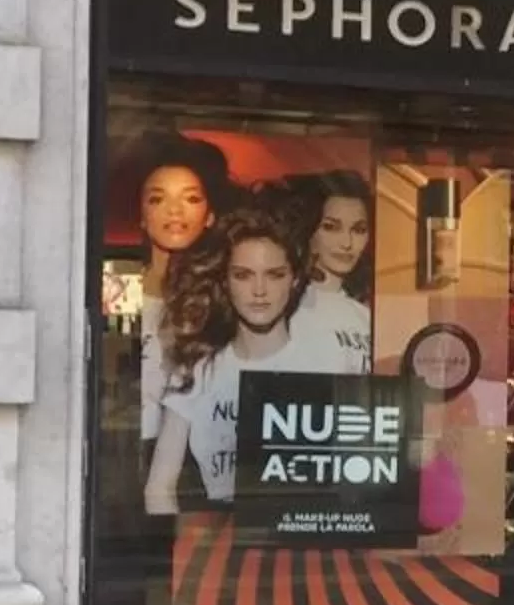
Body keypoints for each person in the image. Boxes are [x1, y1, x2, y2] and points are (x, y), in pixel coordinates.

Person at [145, 209, 305, 514]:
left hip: (301, 545)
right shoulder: (199, 371)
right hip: (220, 544)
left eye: (274, 274)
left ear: (294, 280)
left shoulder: (322, 362)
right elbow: (159, 487)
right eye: (243, 275)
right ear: (225, 282)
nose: (259, 291)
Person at [118, 130, 232, 445]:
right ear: (141, 214)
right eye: (158, 198)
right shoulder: (120, 288)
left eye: (191, 198)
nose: (175, 210)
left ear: (209, 214)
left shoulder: (223, 296)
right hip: (122, 444)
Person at [283, 170, 376, 372]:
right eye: (331, 227)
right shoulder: (285, 307)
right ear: (309, 230)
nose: (347, 243)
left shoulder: (365, 316)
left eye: (359, 230)